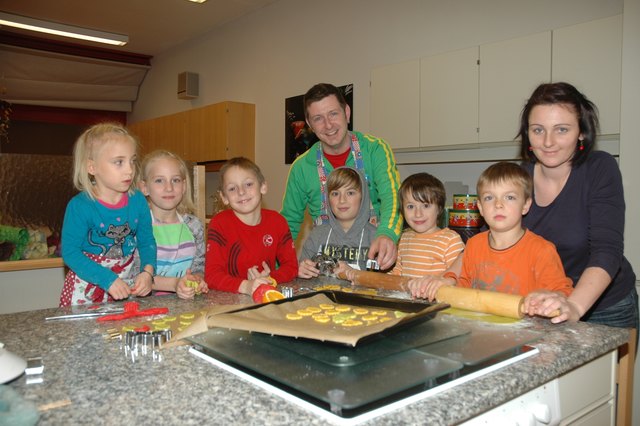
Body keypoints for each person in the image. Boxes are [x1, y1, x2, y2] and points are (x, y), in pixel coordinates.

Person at [519, 82, 638, 328]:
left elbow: (606, 250)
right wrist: (449, 278)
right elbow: (489, 241)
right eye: (538, 130)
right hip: (546, 304)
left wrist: (574, 305)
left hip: (606, 307)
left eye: (561, 129)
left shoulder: (599, 168)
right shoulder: (520, 178)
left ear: (581, 132)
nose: (548, 142)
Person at [411, 162, 573, 307]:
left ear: (525, 205)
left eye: (509, 197)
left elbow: (562, 292)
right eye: (489, 198)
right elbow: (462, 286)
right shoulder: (474, 245)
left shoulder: (541, 250)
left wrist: (553, 297)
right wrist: (445, 282)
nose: (498, 204)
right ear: (480, 207)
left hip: (524, 333)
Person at [281, 83, 403, 270]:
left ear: (347, 112)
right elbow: (288, 223)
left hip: (375, 261)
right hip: (326, 272)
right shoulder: (301, 168)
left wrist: (387, 234)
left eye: (333, 114)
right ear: (309, 124)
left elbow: (392, 196)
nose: (328, 125)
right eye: (318, 118)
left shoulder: (375, 149)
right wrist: (280, 271)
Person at [59, 123, 156, 306]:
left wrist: (147, 272)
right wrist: (107, 279)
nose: (129, 169)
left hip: (126, 282)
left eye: (132, 161)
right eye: (119, 162)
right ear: (92, 167)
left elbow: (147, 242)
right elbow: (70, 253)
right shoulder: (80, 206)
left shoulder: (138, 201)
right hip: (87, 283)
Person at [205, 157, 298, 295]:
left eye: (248, 184)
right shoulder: (219, 224)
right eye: (232, 188)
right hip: (229, 304)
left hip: (266, 298)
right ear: (224, 197)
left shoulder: (278, 222)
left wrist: (269, 279)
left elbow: (291, 267)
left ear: (263, 186)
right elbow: (211, 276)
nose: (241, 192)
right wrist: (246, 286)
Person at [139, 150, 208, 299]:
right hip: (146, 307)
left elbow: (199, 267)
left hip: (184, 304)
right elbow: (136, 276)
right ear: (144, 187)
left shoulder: (194, 225)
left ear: (184, 186)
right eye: (159, 180)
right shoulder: (138, 227)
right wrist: (175, 284)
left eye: (175, 180)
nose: (169, 187)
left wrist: (196, 279)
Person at [298, 167, 377, 278]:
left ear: (363, 197)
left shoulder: (376, 238)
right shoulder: (316, 235)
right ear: (328, 199)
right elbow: (302, 273)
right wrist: (301, 270)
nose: (342, 200)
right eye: (335, 194)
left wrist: (354, 274)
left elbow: (383, 282)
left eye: (350, 193)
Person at [393, 173, 464, 284]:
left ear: (439, 208)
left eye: (426, 205)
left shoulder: (450, 240)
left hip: (439, 300)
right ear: (402, 210)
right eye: (410, 206)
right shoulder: (404, 238)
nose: (418, 214)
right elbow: (397, 273)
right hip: (407, 299)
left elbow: (459, 277)